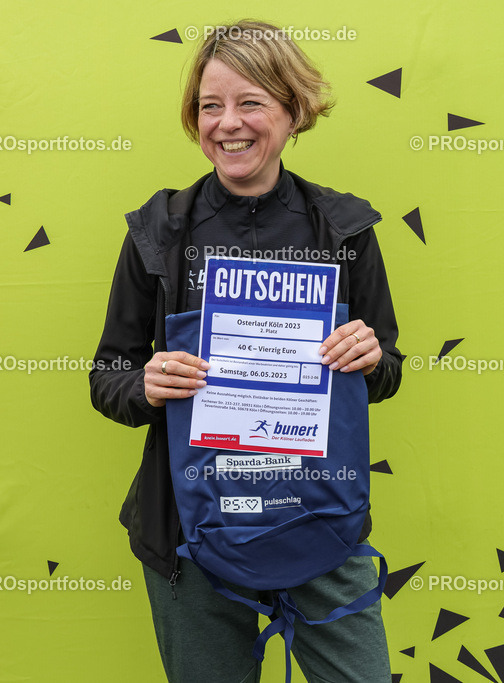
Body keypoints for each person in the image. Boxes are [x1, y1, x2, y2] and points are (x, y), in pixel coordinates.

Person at [89, 20, 402, 682]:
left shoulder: (345, 230)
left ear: (293, 111)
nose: (227, 123)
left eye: (251, 102)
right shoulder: (157, 232)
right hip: (187, 532)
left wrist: (370, 356)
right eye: (210, 105)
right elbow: (107, 375)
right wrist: (145, 383)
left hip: (319, 517)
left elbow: (388, 371)